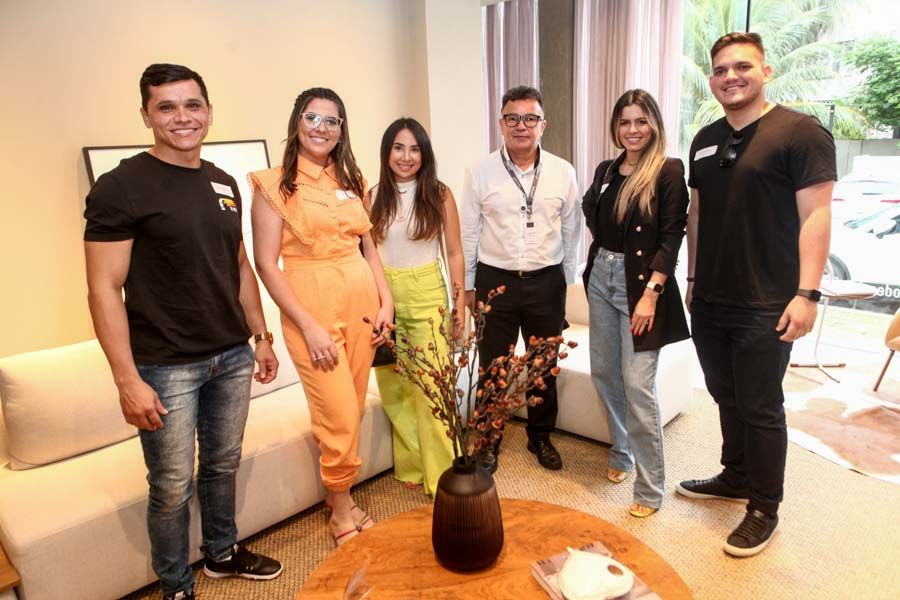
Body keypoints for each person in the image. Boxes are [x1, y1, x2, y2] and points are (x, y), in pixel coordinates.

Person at [84, 64, 283, 600]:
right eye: (166, 107)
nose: (182, 117)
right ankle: (175, 586)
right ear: (146, 115)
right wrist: (127, 380)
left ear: (209, 111)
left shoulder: (222, 181)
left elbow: (238, 264)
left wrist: (261, 336)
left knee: (222, 464)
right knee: (171, 486)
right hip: (165, 366)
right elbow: (103, 289)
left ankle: (221, 553)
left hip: (232, 355)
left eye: (192, 105)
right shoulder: (121, 186)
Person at [679, 32, 835, 557]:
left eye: (743, 66)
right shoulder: (704, 139)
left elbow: (816, 215)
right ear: (711, 80)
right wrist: (692, 280)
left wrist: (807, 293)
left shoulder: (800, 132)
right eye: (721, 69)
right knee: (725, 395)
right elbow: (697, 217)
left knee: (761, 405)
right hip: (710, 298)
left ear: (765, 72)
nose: (731, 76)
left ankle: (764, 507)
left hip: (767, 301)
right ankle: (736, 475)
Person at [250, 87, 393, 546]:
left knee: (354, 405)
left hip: (362, 306)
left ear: (341, 131)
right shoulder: (273, 185)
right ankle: (340, 511)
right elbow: (265, 264)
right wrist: (307, 326)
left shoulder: (352, 180)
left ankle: (340, 497)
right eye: (312, 117)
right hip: (310, 310)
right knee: (338, 414)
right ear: (297, 122)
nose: (321, 128)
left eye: (331, 121)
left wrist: (386, 302)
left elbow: (369, 248)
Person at [461, 85, 581, 473]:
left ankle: (540, 436)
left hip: (546, 281)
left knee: (543, 366)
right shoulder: (480, 172)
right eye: (512, 118)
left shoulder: (563, 171)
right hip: (495, 281)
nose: (521, 126)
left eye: (530, 118)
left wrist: (565, 281)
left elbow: (572, 229)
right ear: (501, 124)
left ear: (542, 124)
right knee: (492, 367)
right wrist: (468, 286)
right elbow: (469, 233)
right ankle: (489, 440)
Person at [582, 89, 690, 518]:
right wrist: (607, 254)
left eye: (641, 121)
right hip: (601, 277)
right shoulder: (607, 170)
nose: (632, 130)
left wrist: (651, 293)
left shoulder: (667, 170)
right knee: (604, 372)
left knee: (638, 385)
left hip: (642, 287)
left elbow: (672, 235)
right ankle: (621, 450)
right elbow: (591, 209)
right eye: (625, 122)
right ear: (616, 126)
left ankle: (649, 488)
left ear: (654, 124)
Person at [367, 117, 465, 497]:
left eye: (414, 149)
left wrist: (460, 305)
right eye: (398, 148)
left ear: (424, 154)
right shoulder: (371, 195)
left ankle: (442, 476)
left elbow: (454, 253)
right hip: (383, 294)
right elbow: (368, 254)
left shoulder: (439, 194)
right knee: (395, 386)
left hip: (427, 292)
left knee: (432, 388)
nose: (406, 157)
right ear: (386, 152)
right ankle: (412, 464)